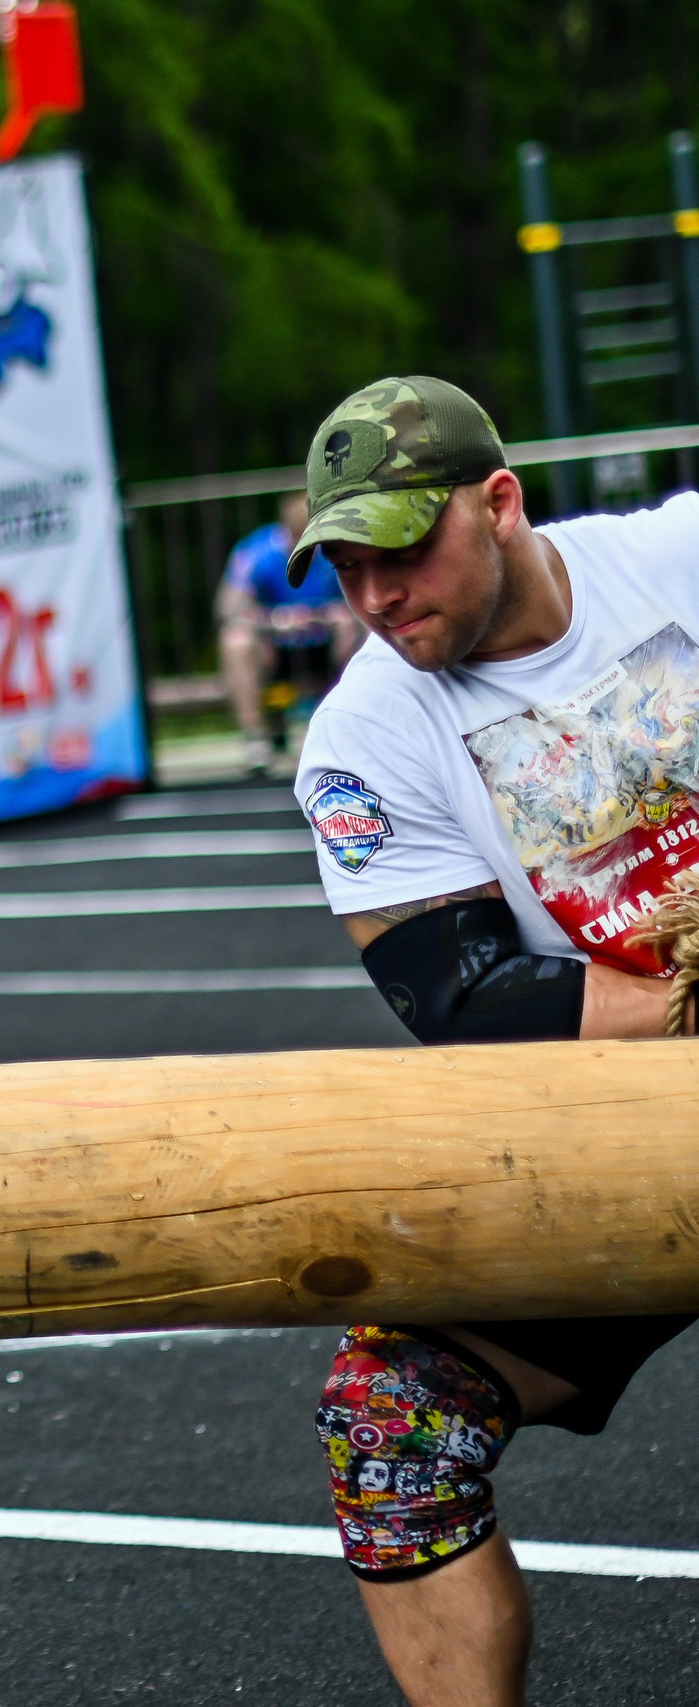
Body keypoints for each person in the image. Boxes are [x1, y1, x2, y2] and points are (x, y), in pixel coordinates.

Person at [286, 374, 697, 1706]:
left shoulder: (675, 563)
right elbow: (466, 1001)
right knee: (393, 1421)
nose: (376, 595)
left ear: (501, 501)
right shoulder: (362, 737)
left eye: (402, 549)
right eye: (346, 565)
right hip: (621, 1124)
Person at [216, 490, 364, 775]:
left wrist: (334, 614)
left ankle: (345, 726)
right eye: (297, 535)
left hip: (325, 645)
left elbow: (366, 598)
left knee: (355, 627)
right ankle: (255, 739)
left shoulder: (334, 547)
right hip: (275, 648)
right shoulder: (255, 552)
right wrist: (272, 621)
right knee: (235, 641)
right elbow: (228, 609)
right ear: (285, 531)